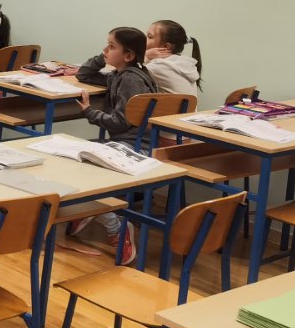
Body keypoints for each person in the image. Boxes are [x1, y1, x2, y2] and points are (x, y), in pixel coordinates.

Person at [68, 26, 159, 265]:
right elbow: (84, 74)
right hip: (125, 142)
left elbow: (120, 122)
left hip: (134, 147)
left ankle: (114, 225)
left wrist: (90, 112)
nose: (105, 49)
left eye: (111, 46)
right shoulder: (122, 74)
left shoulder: (130, 79)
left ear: (128, 55)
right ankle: (88, 208)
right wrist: (104, 56)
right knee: (74, 154)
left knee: (77, 159)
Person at [145, 19, 202, 96]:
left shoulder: (157, 67)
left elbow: (130, 72)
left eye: (149, 37)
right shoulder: (182, 63)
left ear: (166, 46)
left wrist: (145, 55)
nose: (144, 39)